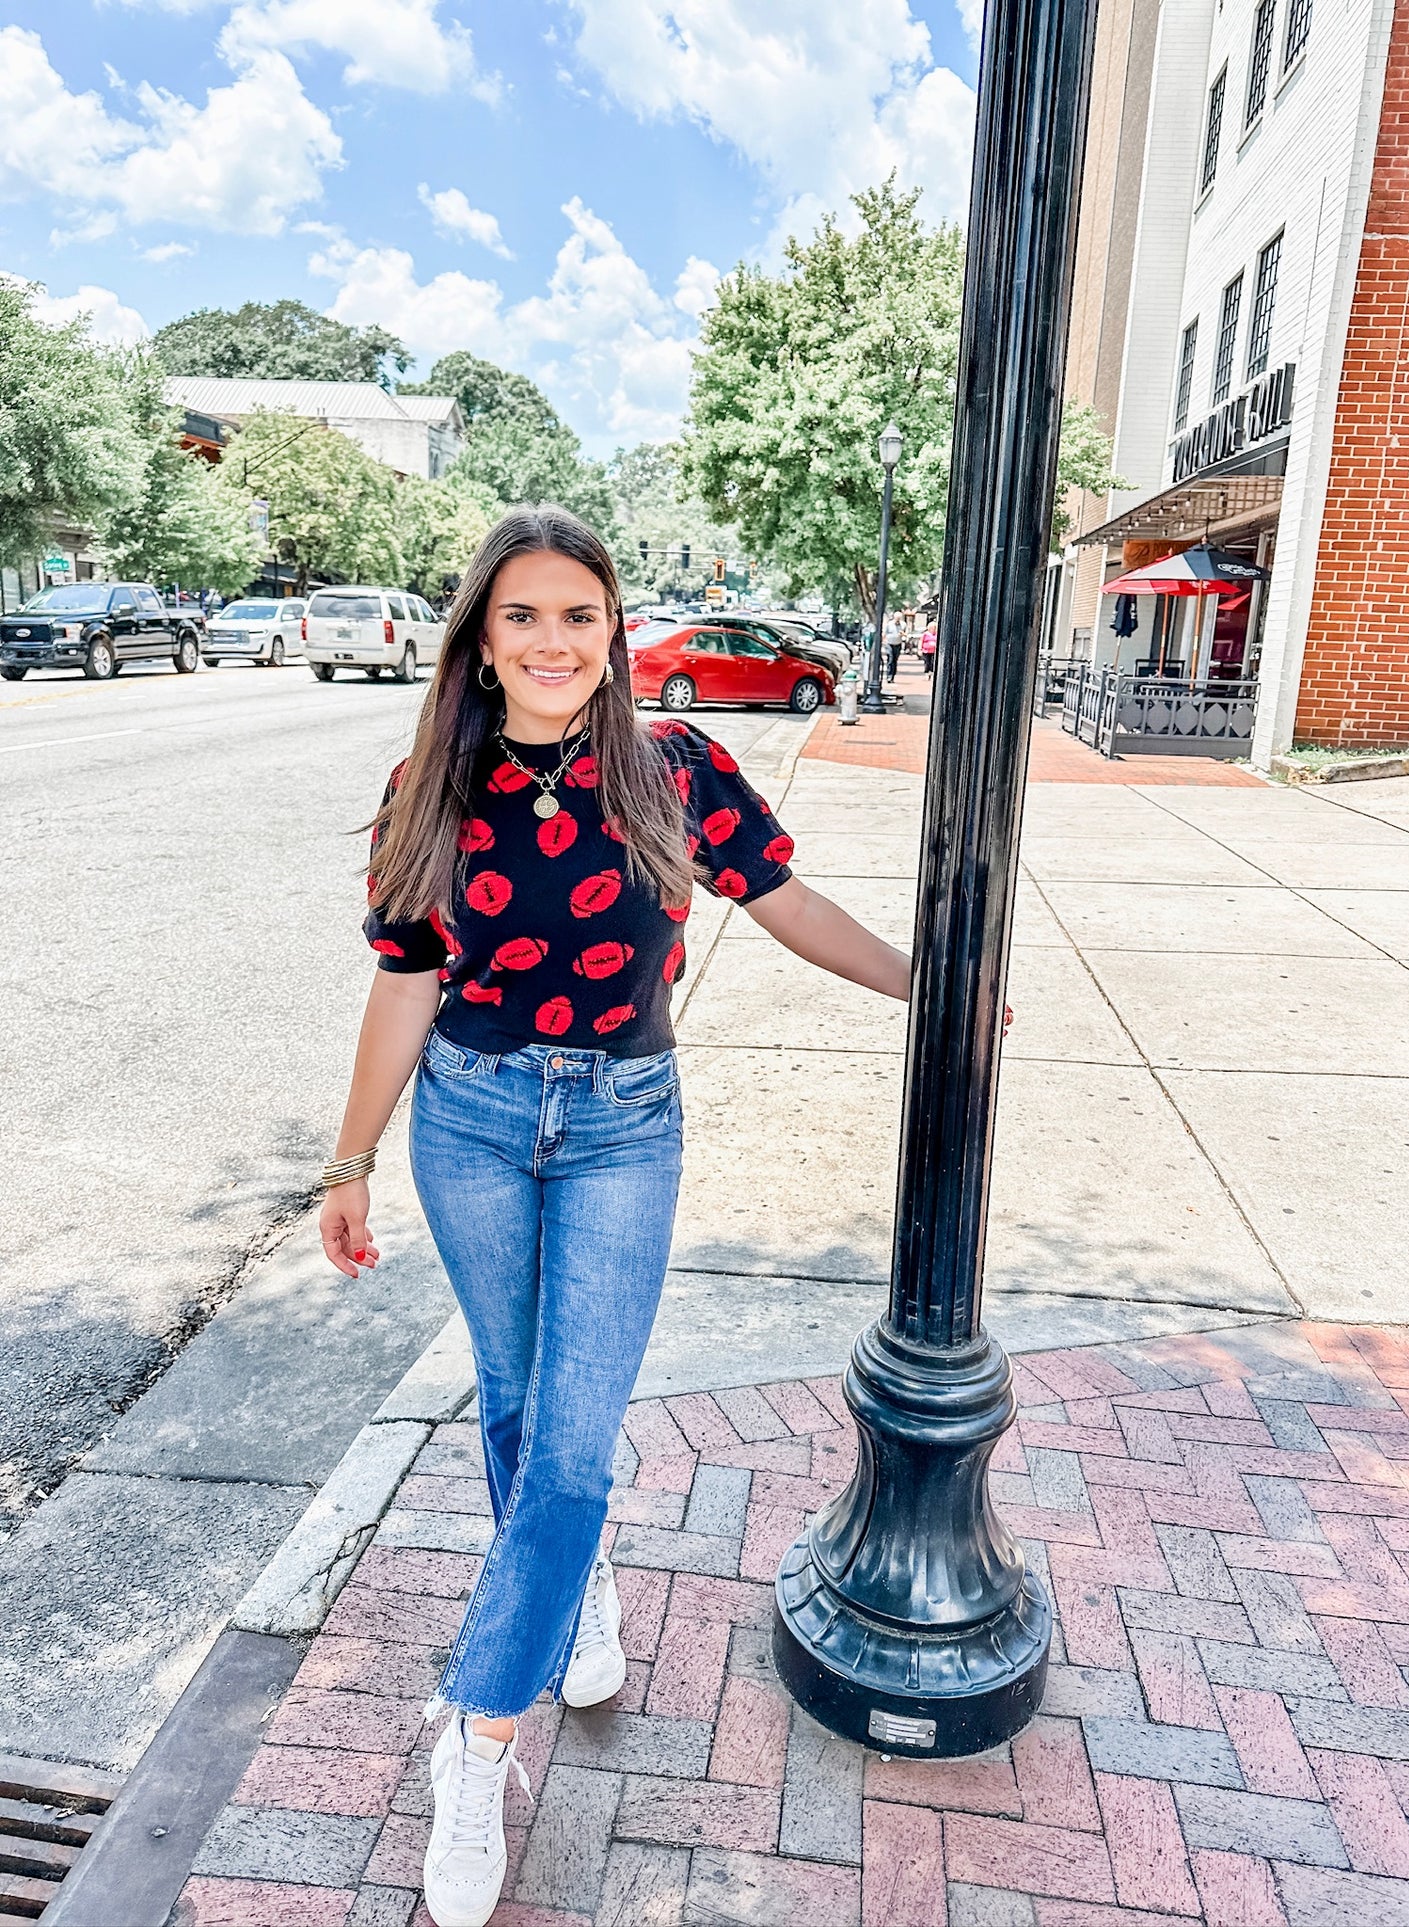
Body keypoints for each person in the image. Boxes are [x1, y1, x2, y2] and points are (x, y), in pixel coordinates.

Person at [320, 505, 910, 1927]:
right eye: (520, 615)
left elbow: (784, 901)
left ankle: (478, 1731)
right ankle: (566, 1595)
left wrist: (928, 986)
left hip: (621, 1129)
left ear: (612, 629)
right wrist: (349, 1161)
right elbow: (405, 977)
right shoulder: (434, 782)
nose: (551, 640)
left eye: (577, 613)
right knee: (520, 1401)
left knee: (574, 1439)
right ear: (481, 635)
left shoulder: (676, 767)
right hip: (466, 1120)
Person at [883, 611, 903, 683]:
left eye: (899, 618)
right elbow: (884, 633)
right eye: (897, 618)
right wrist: (883, 641)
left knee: (895, 661)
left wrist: (903, 634)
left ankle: (892, 676)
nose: (897, 619)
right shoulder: (889, 624)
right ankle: (889, 676)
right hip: (889, 644)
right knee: (890, 659)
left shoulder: (903, 624)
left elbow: (905, 634)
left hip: (898, 644)